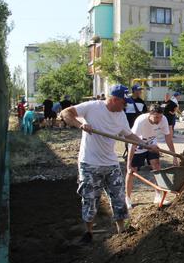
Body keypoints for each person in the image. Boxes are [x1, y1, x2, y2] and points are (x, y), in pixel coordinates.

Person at [60, 84, 159, 244]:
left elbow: (129, 135)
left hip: (111, 163)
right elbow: (65, 113)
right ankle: (89, 232)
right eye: (123, 102)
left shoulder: (120, 115)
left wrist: (146, 145)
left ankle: (122, 232)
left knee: (119, 199)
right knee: (90, 199)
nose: (125, 105)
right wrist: (81, 125)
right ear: (114, 99)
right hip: (89, 163)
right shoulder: (92, 107)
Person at [125, 104, 177, 209]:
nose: (159, 120)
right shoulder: (141, 121)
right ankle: (127, 198)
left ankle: (158, 196)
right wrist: (128, 164)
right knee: (132, 171)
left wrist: (174, 156)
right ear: (150, 114)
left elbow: (168, 138)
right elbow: (133, 142)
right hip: (137, 145)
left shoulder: (163, 119)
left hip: (152, 144)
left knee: (157, 166)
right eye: (156, 117)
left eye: (160, 117)